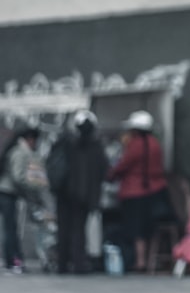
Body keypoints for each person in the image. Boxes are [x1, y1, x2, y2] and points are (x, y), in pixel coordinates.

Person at [106, 110, 170, 272]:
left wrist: (110, 175)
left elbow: (122, 166)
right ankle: (148, 261)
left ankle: (140, 261)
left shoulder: (135, 145)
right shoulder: (155, 144)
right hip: (155, 192)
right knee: (148, 228)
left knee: (137, 229)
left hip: (134, 193)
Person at [51, 110, 109, 274]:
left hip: (64, 193)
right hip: (84, 195)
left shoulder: (65, 142)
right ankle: (78, 263)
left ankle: (62, 263)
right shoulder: (96, 146)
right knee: (79, 229)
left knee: (63, 228)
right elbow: (104, 170)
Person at [0, 125, 47, 274]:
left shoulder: (17, 150)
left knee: (10, 229)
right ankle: (14, 261)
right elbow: (18, 176)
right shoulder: (20, 153)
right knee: (11, 229)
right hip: (8, 193)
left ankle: (12, 260)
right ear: (29, 139)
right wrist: (33, 186)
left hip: (7, 193)